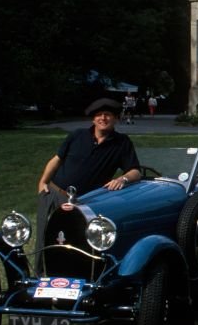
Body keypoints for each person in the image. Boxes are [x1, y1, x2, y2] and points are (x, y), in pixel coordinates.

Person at [36, 98, 141, 254]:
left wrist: (121, 179)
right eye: (99, 115)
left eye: (108, 115)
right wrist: (43, 182)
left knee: (78, 243)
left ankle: (72, 276)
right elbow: (56, 160)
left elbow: (135, 171)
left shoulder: (122, 142)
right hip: (55, 194)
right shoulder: (77, 135)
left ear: (116, 119)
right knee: (45, 238)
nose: (103, 118)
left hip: (85, 202)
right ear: (93, 119)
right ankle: (40, 275)